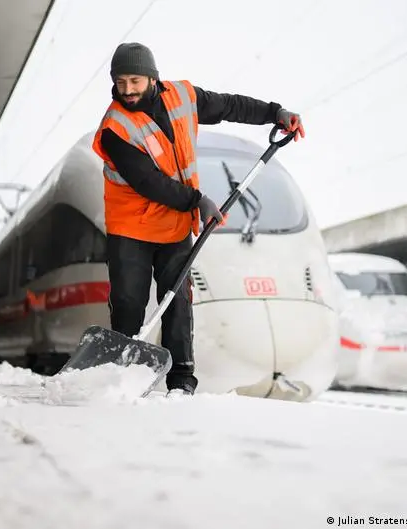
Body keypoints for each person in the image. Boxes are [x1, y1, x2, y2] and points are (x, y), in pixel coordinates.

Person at [92, 42, 305, 396]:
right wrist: (198, 200)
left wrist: (274, 113)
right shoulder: (115, 127)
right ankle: (122, 376)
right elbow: (147, 181)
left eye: (134, 81)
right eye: (120, 82)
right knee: (130, 302)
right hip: (131, 227)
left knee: (177, 298)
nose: (126, 90)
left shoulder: (183, 96)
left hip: (174, 224)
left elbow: (229, 105)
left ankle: (181, 379)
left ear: (152, 78)